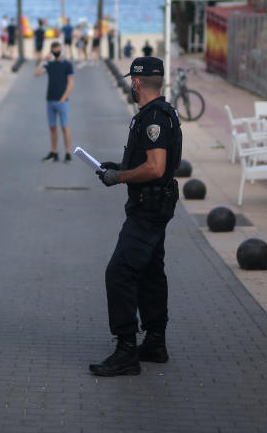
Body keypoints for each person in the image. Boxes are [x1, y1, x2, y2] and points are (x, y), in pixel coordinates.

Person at [91, 56, 182, 377]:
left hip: (149, 208)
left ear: (137, 82)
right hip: (157, 203)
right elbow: (151, 162)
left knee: (120, 272)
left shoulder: (153, 117)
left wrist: (121, 178)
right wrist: (120, 167)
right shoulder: (163, 112)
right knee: (150, 272)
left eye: (132, 80)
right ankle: (156, 342)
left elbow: (156, 167)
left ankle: (126, 349)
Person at [34, 41, 74, 162]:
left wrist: (63, 97)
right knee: (52, 127)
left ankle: (68, 153)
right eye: (54, 50)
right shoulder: (49, 64)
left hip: (62, 101)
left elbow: (71, 82)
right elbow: (36, 74)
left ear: (61, 49)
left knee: (65, 127)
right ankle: (54, 152)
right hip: (50, 100)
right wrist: (43, 61)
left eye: (57, 49)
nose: (56, 51)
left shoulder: (67, 64)